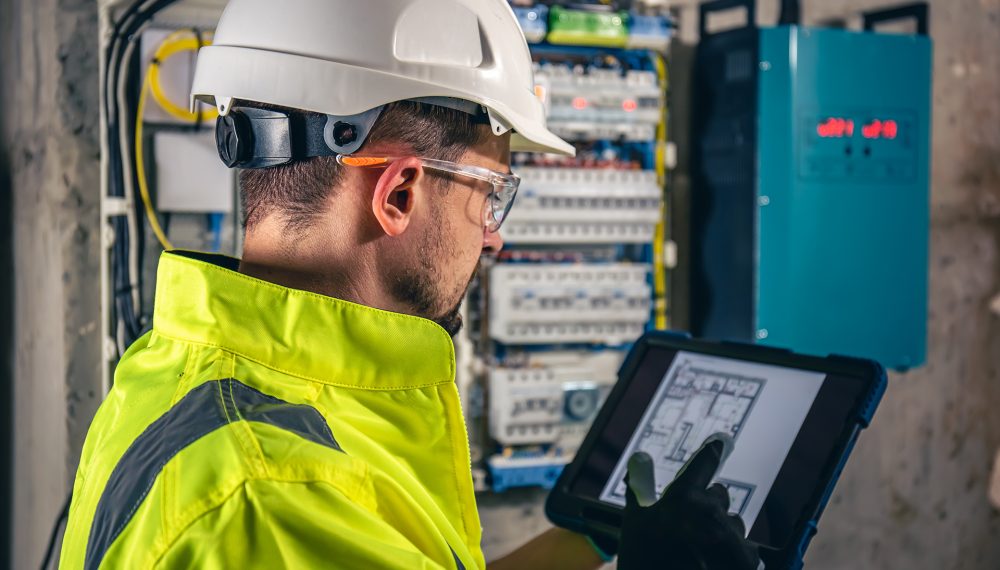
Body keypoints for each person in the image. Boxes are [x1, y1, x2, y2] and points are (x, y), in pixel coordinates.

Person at [59, 0, 760, 568]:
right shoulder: (273, 493)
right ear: (397, 193)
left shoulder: (183, 374)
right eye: (491, 192)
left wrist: (596, 542)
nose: (494, 234)